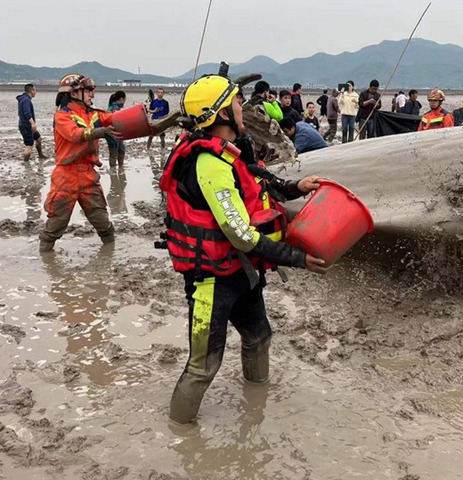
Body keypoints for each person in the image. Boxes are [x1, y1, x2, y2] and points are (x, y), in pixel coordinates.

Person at [158, 73, 328, 424]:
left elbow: (256, 178)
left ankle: (257, 402)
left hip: (241, 273)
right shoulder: (209, 165)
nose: (243, 107)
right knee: (203, 366)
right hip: (211, 282)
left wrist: (296, 186)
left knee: (258, 335)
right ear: (221, 114)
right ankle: (180, 434)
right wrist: (298, 258)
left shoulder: (231, 153)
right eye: (237, 102)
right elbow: (241, 235)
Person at [38, 73, 121, 252]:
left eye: (92, 90)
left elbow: (117, 118)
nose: (92, 94)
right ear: (74, 93)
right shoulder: (62, 116)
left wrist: (142, 113)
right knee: (56, 223)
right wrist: (101, 132)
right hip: (65, 176)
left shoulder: (94, 115)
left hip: (88, 175)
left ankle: (110, 253)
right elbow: (75, 135)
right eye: (88, 90)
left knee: (102, 221)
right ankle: (45, 255)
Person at [17, 83, 46, 162]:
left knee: (39, 138)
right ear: (31, 91)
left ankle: (40, 155)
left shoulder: (25, 99)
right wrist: (33, 123)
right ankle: (26, 163)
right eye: (35, 90)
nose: (36, 92)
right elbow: (27, 113)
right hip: (26, 126)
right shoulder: (26, 100)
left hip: (28, 126)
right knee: (29, 145)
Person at [106, 91, 127, 168]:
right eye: (125, 99)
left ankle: (120, 168)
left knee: (121, 150)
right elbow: (118, 121)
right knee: (114, 153)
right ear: (121, 99)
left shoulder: (112, 106)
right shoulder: (115, 108)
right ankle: (113, 171)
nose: (124, 102)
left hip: (113, 132)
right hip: (113, 132)